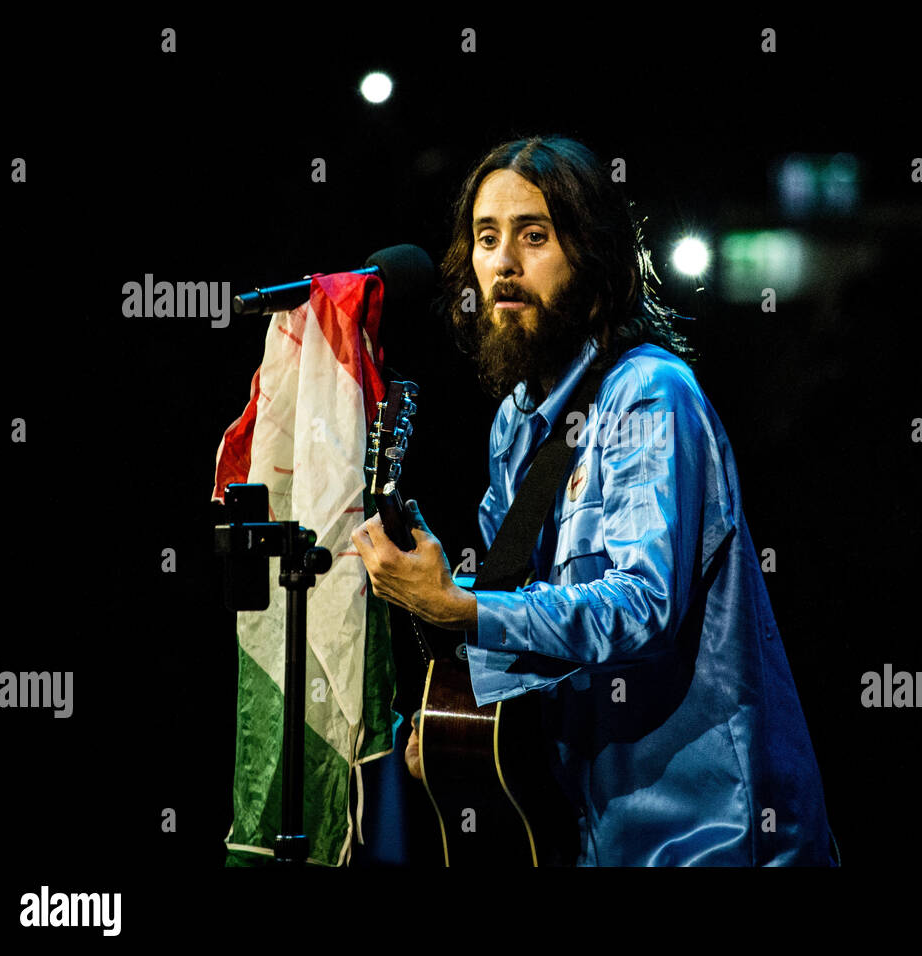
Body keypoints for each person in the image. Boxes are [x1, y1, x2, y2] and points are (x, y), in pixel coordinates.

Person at [352, 135, 834, 865]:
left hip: (711, 835)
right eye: (487, 239)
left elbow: (643, 605)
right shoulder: (515, 423)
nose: (505, 263)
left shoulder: (650, 393)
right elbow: (516, 620)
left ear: (594, 259)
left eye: (534, 236)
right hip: (589, 831)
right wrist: (450, 716)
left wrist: (461, 607)